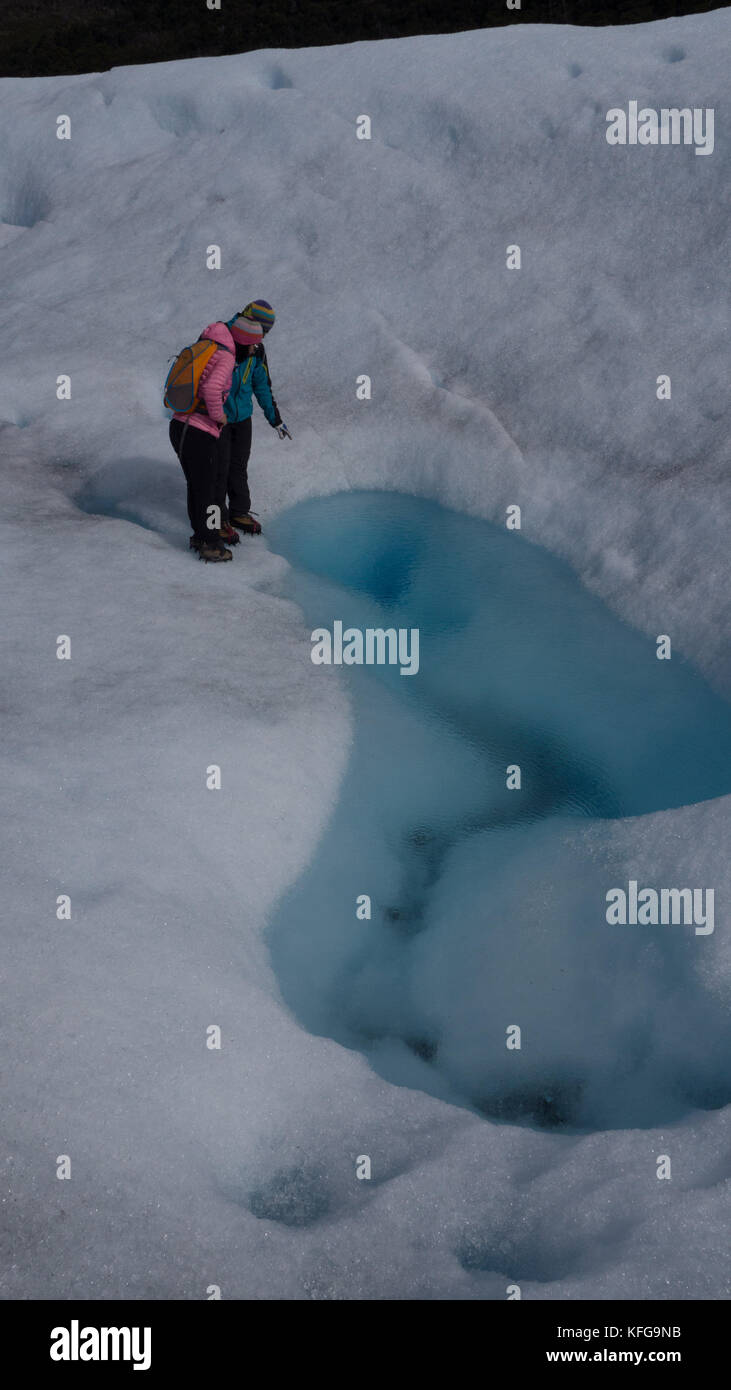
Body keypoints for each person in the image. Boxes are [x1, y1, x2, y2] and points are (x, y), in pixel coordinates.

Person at [219, 299, 291, 536]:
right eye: (263, 330)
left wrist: (275, 419)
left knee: (238, 466)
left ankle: (238, 512)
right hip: (218, 417)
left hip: (242, 418)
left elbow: (262, 385)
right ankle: (216, 520)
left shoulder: (257, 350)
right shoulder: (222, 338)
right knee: (218, 468)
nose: (263, 337)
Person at [169, 320, 236, 562]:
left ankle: (201, 536)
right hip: (199, 430)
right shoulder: (225, 356)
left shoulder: (202, 351)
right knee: (207, 489)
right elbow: (211, 389)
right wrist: (220, 417)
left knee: (197, 486)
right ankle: (210, 542)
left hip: (179, 426)